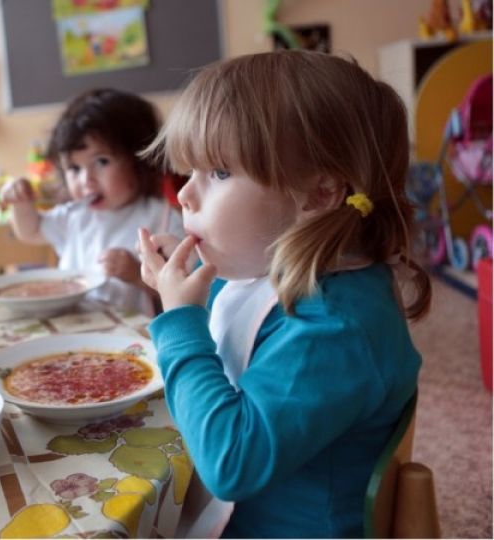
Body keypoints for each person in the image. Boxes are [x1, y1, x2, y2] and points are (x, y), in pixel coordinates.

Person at [136, 50, 432, 538]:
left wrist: (179, 319)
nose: (185, 195)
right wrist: (196, 288)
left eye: (219, 173)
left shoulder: (335, 328)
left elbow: (230, 463)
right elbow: (250, 334)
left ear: (317, 195)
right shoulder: (308, 275)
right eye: (189, 173)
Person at [0, 88, 184, 315]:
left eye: (102, 161)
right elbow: (30, 231)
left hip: (132, 339)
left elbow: (184, 294)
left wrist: (137, 275)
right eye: (74, 168)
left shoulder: (163, 220)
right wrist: (21, 203)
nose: (86, 179)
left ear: (141, 160)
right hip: (71, 328)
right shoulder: (74, 216)